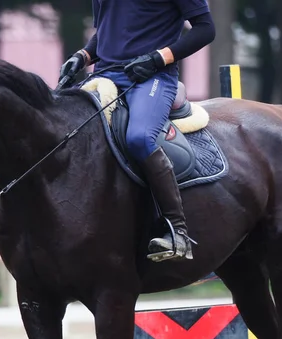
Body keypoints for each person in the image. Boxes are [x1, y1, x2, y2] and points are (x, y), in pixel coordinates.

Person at [59, 0, 216, 261]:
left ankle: (177, 232)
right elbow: (110, 33)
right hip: (105, 76)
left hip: (152, 78)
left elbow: (205, 29)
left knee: (139, 139)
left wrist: (158, 58)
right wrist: (82, 56)